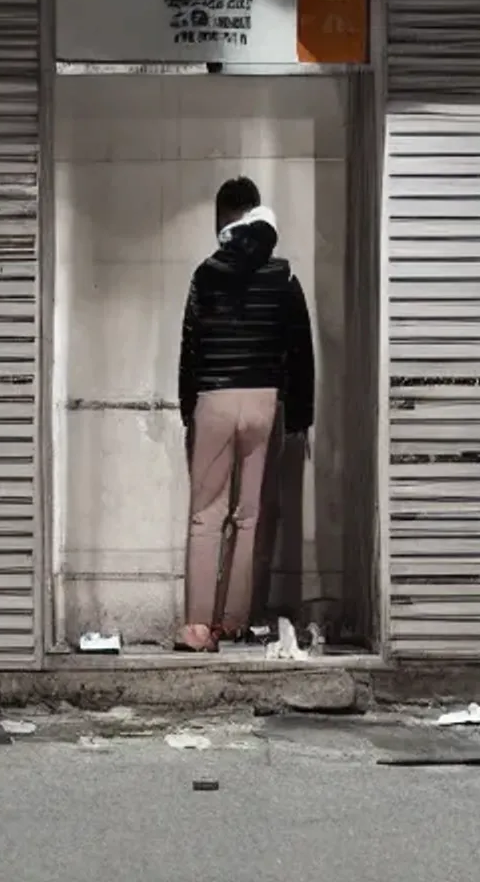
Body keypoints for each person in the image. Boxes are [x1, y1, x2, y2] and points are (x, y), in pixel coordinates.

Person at [175, 176, 314, 653]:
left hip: (213, 399)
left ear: (221, 218)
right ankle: (233, 622)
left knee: (205, 516)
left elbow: (189, 347)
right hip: (263, 401)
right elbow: (301, 349)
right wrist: (299, 414)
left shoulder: (205, 273)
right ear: (258, 212)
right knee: (249, 516)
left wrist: (185, 408)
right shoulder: (283, 275)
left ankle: (197, 628)